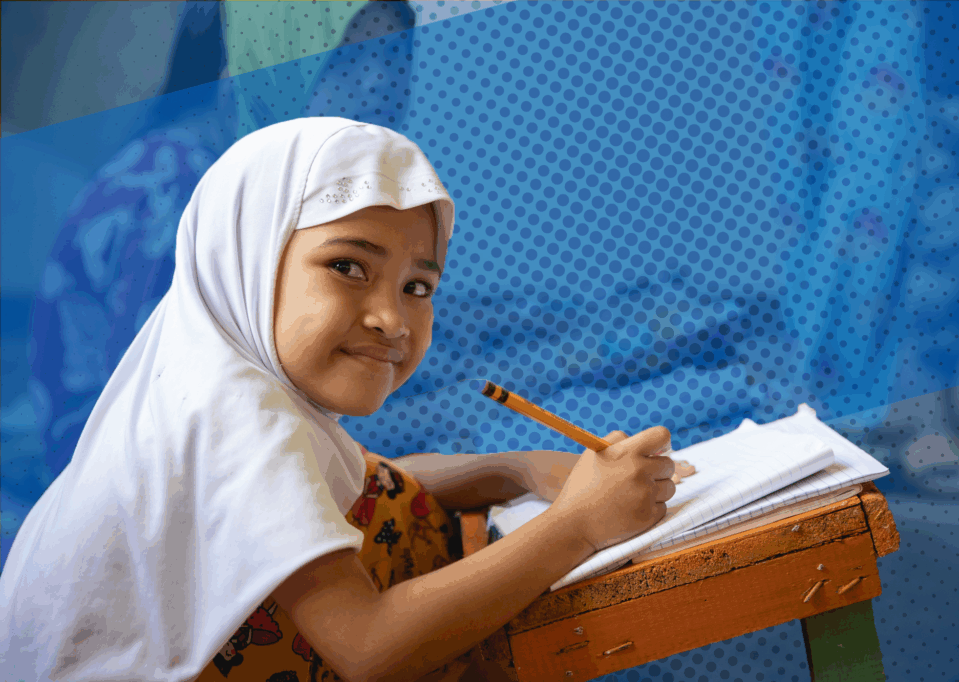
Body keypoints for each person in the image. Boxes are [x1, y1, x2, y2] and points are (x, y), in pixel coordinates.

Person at [0, 118, 675, 682]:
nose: (392, 319)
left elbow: (369, 478)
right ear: (247, 258)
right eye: (348, 267)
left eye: (417, 286)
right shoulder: (233, 416)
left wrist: (517, 469)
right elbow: (370, 648)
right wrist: (580, 525)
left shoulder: (223, 383)